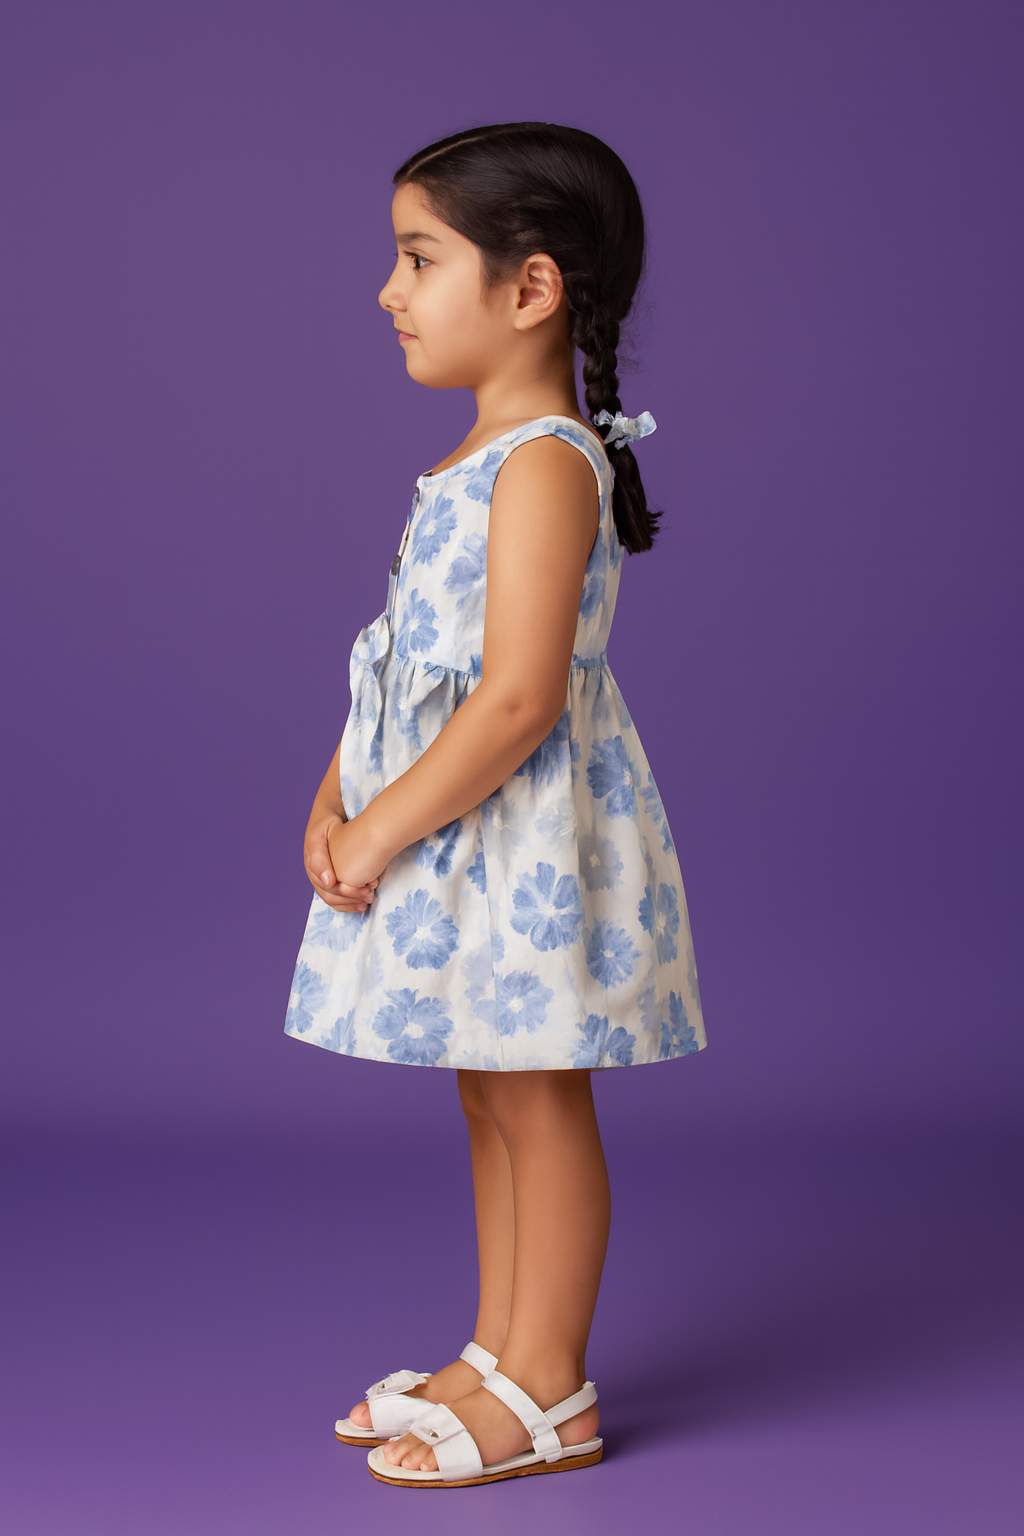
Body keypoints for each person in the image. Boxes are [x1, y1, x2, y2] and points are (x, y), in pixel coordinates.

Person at [284, 121, 706, 1489]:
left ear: (530, 289)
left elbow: (518, 697)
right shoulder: (482, 455)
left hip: (519, 844)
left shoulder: (544, 461)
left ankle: (551, 1385)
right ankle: (498, 1347)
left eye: (419, 259)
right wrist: (337, 791)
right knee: (489, 1090)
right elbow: (410, 663)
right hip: (463, 834)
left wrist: (380, 826)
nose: (389, 292)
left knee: (538, 1100)